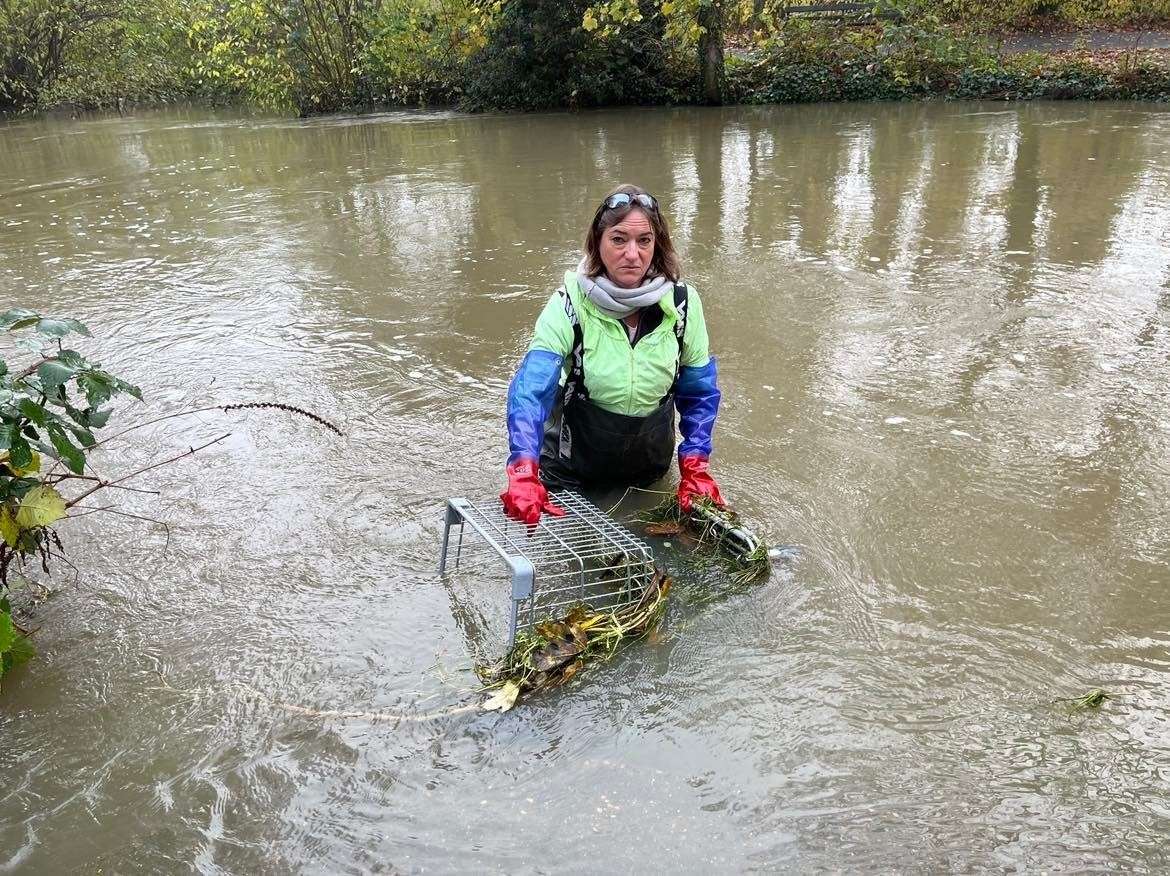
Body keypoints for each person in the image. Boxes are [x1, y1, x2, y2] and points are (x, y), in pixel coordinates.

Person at [499, 184, 726, 525]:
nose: (632, 254)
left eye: (644, 241)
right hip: (571, 476)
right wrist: (523, 470)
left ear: (657, 245)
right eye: (619, 239)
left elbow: (699, 393)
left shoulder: (683, 304)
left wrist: (695, 467)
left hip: (648, 472)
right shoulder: (568, 303)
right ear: (598, 243)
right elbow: (531, 391)